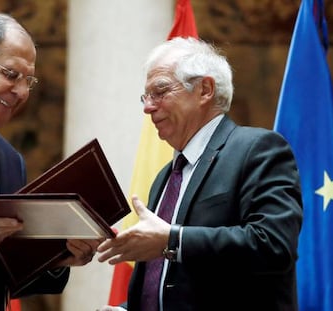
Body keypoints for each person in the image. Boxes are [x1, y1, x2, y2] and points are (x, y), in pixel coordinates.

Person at [97, 37, 303, 311]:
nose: (148, 107)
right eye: (146, 97)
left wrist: (172, 240)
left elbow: (273, 245)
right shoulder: (165, 176)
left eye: (160, 91)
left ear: (205, 89)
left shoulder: (257, 149)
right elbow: (171, 282)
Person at [0, 13, 100, 311]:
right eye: (11, 74)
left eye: (29, 81)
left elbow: (6, 272)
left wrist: (57, 258)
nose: (23, 92)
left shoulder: (12, 161)